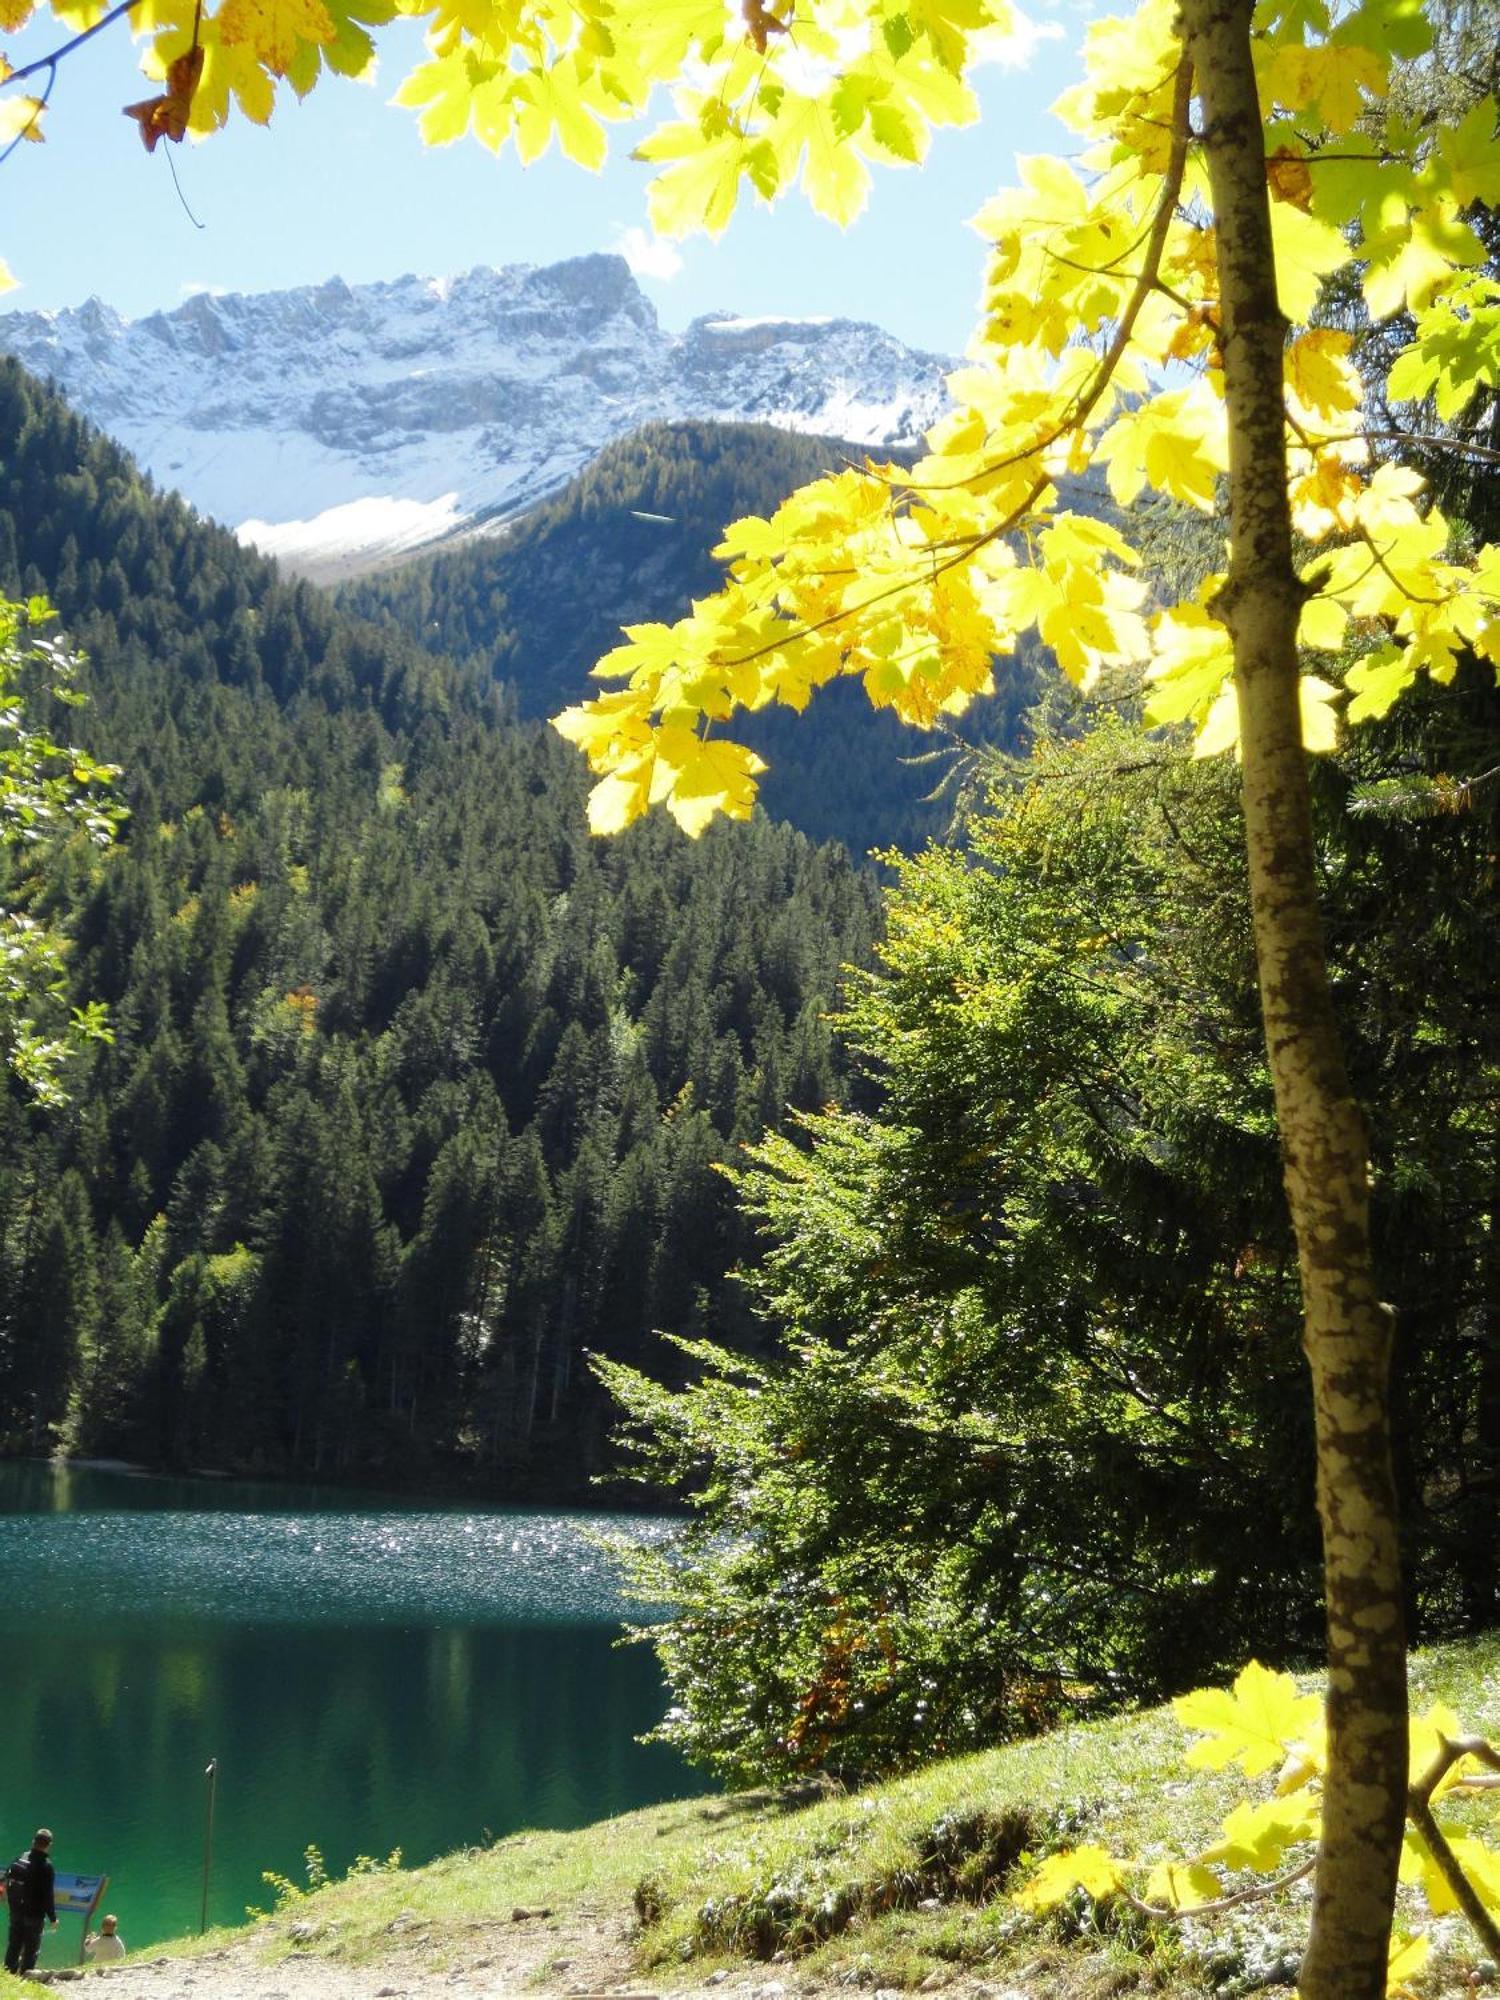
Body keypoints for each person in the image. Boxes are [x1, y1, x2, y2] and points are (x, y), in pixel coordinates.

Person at [4, 1827, 57, 1974]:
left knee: (14, 1944)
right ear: (49, 1844)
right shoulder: (46, 1866)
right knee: (31, 1949)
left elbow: (6, 1877)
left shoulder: (22, 1856)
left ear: (33, 1841)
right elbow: (48, 1895)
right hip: (34, 1915)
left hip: (15, 1910)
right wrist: (53, 1918)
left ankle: (8, 1974)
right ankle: (26, 1976)